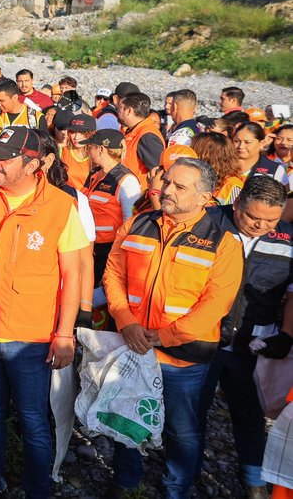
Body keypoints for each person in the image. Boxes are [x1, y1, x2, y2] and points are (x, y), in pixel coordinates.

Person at [103, 158, 243, 499]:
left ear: (205, 197)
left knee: (182, 430)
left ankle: (176, 488)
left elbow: (216, 304)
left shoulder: (223, 241)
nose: (166, 190)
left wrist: (164, 336)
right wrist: (125, 320)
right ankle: (125, 483)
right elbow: (113, 273)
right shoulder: (138, 222)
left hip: (183, 358)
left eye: (180, 187)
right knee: (126, 418)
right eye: (167, 181)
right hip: (133, 345)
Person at [0, 126, 86, 499]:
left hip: (31, 339)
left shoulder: (62, 206)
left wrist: (65, 333)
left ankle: (38, 489)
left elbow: (72, 275)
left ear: (33, 164)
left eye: (4, 157)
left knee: (33, 421)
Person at [207, 175, 293, 498]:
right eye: (252, 217)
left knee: (251, 415)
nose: (259, 225)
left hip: (253, 346)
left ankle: (253, 479)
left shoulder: (288, 239)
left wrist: (286, 334)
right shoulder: (209, 224)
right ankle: (180, 479)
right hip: (204, 339)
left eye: (270, 220)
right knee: (189, 415)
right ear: (237, 203)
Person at [81, 130, 142, 300]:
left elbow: (129, 224)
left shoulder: (126, 181)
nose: (88, 152)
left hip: (107, 251)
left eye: (90, 147)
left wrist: (115, 261)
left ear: (100, 150)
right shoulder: (95, 174)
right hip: (89, 247)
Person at [117, 92, 166, 184]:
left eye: (119, 109)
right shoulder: (132, 131)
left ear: (129, 111)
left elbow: (159, 172)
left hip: (137, 193)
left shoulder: (147, 136)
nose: (117, 112)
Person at [234, 121, 288, 186]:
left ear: (261, 144)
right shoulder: (222, 165)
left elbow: (284, 194)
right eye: (236, 141)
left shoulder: (274, 169)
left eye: (247, 142)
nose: (241, 146)